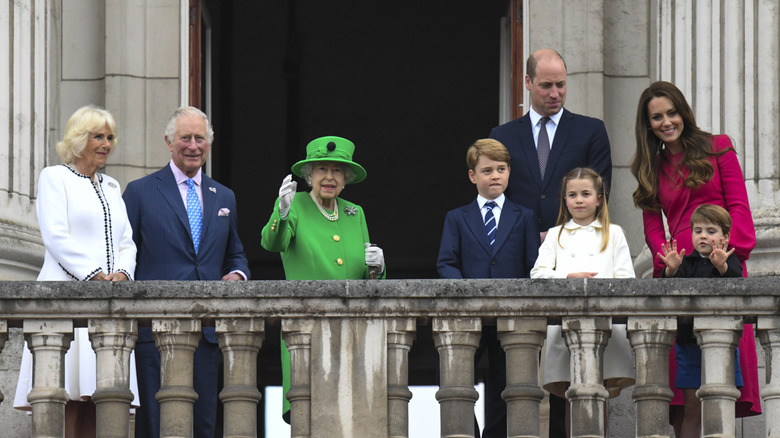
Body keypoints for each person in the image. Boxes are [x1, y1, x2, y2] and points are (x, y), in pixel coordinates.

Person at [489, 48, 612, 437]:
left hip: (573, 252)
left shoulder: (590, 130)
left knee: (566, 350)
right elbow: (497, 197)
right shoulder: (502, 136)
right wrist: (531, 236)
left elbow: (599, 190)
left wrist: (557, 235)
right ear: (528, 84)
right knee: (505, 353)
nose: (555, 93)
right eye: (546, 85)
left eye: (561, 84)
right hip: (513, 257)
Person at [631, 80, 761, 425]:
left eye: (672, 113)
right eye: (657, 117)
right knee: (687, 383)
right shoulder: (650, 167)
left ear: (683, 113)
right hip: (682, 274)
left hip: (721, 265)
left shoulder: (718, 147)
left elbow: (738, 203)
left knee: (723, 375)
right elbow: (653, 227)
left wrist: (735, 254)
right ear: (648, 124)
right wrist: (666, 264)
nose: (666, 122)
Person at [123, 106, 250, 438]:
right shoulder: (140, 192)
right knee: (155, 423)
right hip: (154, 332)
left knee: (203, 423)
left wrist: (237, 275)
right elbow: (123, 256)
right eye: (185, 138)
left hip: (207, 332)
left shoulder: (224, 196)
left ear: (209, 143)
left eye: (200, 138)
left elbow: (235, 255)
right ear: (169, 141)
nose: (193, 146)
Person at [14, 105, 139, 437]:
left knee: (101, 403)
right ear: (80, 138)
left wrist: (123, 274)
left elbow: (127, 241)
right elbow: (56, 237)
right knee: (66, 397)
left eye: (110, 137)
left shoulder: (112, 187)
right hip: (67, 300)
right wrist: (96, 274)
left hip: (108, 305)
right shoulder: (55, 177)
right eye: (98, 136)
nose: (106, 143)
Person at [261, 135, 385, 422]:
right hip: (306, 331)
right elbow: (272, 243)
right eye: (322, 170)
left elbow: (369, 276)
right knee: (310, 415)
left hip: (351, 331)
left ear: (346, 177)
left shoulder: (356, 213)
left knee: (354, 417)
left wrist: (379, 267)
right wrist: (280, 213)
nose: (329, 177)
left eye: (337, 170)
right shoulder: (296, 205)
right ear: (309, 175)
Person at [436, 139, 539, 437]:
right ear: (472, 176)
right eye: (487, 170)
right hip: (470, 316)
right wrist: (466, 296)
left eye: (501, 169)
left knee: (505, 382)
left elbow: (533, 266)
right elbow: (446, 263)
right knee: (458, 380)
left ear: (509, 172)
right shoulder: (457, 217)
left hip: (511, 316)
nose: (495, 175)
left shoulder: (525, 216)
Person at [531, 167, 635, 437]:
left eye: (586, 194)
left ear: (599, 198)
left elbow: (626, 278)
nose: (579, 200)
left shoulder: (614, 233)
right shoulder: (556, 235)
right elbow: (538, 275)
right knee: (571, 394)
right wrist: (568, 276)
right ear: (564, 200)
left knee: (598, 391)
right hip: (565, 327)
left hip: (606, 325)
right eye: (572, 195)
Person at [658, 204, 744, 438]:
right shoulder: (685, 263)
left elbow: (739, 287)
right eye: (697, 230)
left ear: (725, 237)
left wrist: (722, 266)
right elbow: (666, 298)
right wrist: (671, 272)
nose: (703, 235)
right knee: (692, 408)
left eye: (711, 230)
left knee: (722, 405)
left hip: (723, 346)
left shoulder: (730, 261)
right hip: (689, 344)